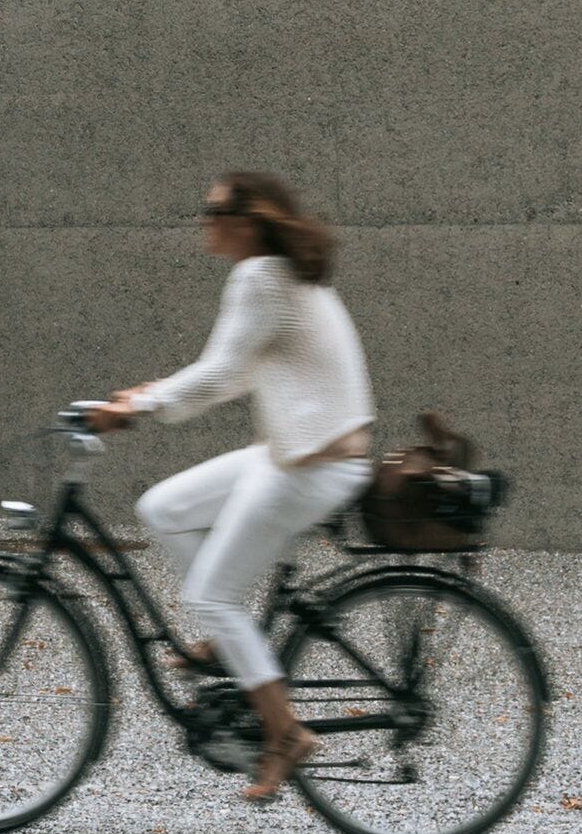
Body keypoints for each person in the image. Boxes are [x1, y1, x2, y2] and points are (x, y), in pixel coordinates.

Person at [84, 172, 376, 801]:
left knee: (213, 594)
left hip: (311, 465)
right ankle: (226, 641)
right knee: (163, 507)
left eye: (214, 210)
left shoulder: (262, 275)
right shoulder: (280, 273)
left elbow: (219, 373)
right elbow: (241, 371)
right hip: (296, 454)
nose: (204, 219)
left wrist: (138, 406)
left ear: (248, 221)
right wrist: (148, 395)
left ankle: (286, 733)